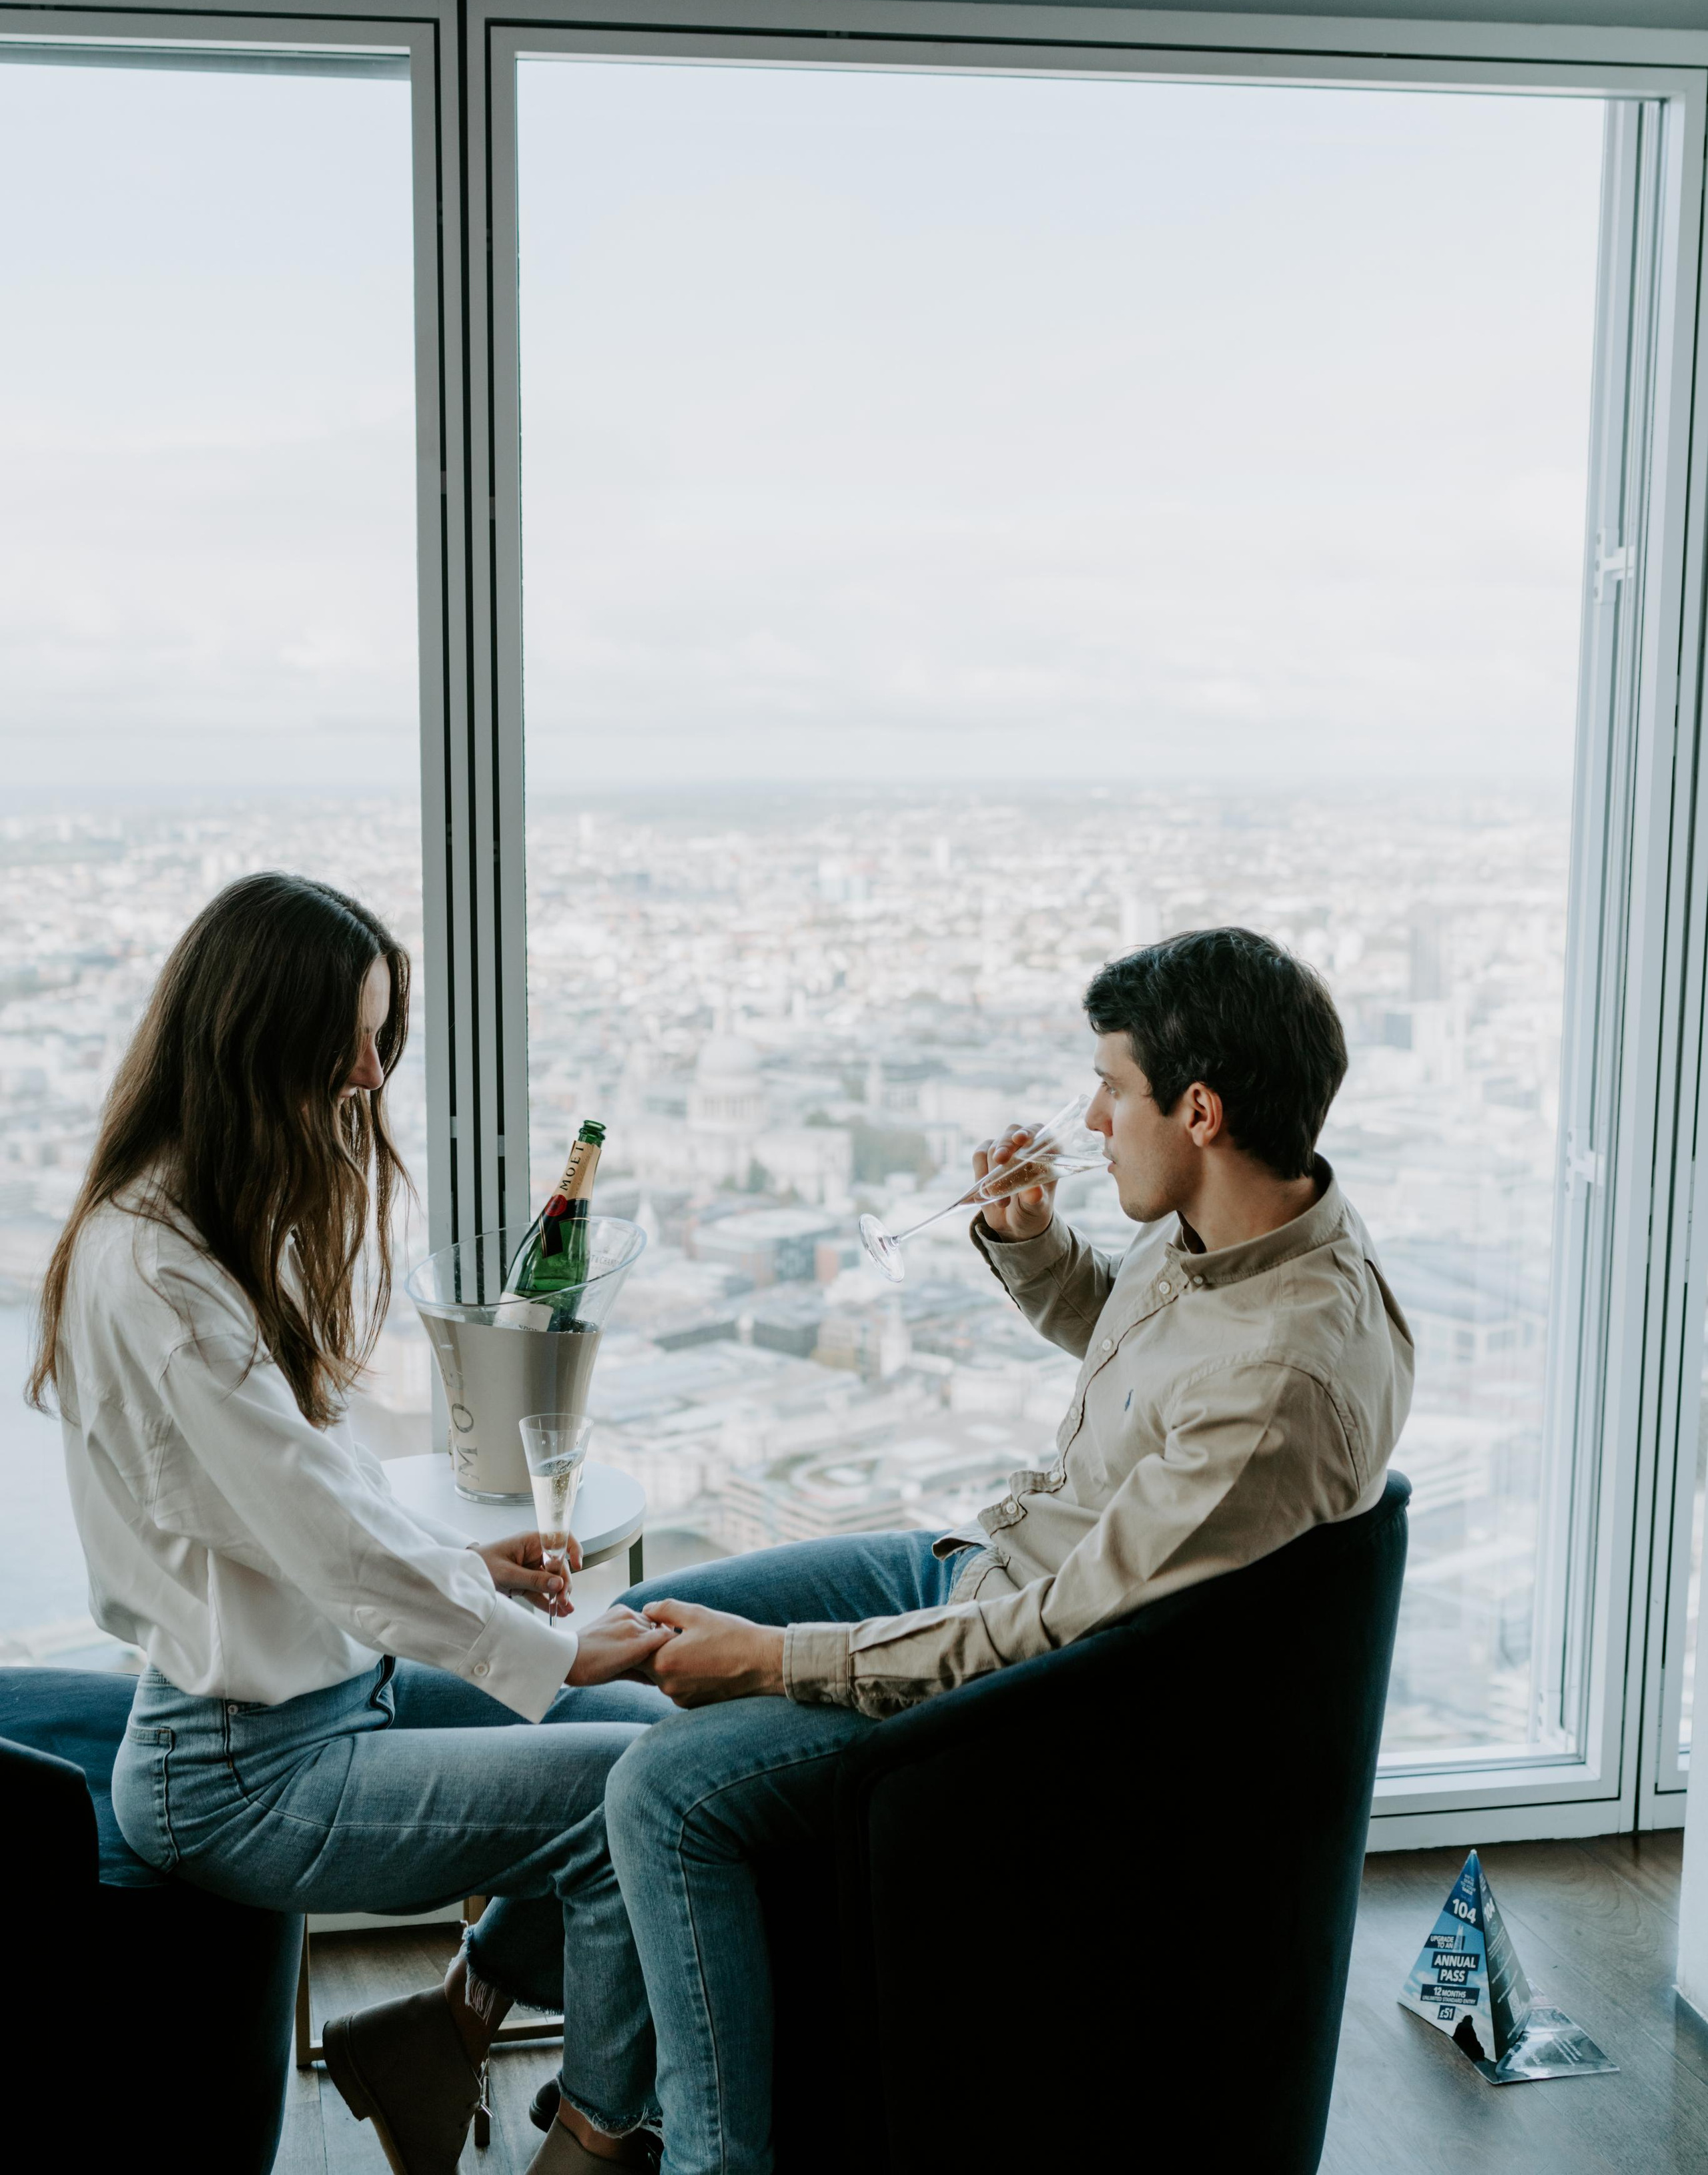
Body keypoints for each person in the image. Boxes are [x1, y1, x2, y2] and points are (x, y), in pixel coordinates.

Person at [566, 926, 1414, 2175]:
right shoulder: (1234, 1226)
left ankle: (701, 2158)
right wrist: (1031, 1244)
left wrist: (775, 1663)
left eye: (1112, 1086)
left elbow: (1056, 1632)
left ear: (1201, 1107)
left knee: (664, 1790)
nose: (1089, 1113)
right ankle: (528, 2046)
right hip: (984, 1563)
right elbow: (1139, 1383)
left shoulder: (1282, 1371)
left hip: (1028, 1679)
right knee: (646, 1621)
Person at [30, 873, 672, 2175]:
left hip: (329, 1697)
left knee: (654, 1741)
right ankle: (594, 2151)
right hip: (233, 1768)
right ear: (258, 1029)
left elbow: (297, 1505)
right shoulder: (154, 1265)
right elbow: (318, 1532)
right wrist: (549, 1645)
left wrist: (463, 1573)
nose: (374, 1072)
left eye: (385, 1033)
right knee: (633, 1788)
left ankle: (444, 2029)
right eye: (356, 1034)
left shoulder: (198, 1226)